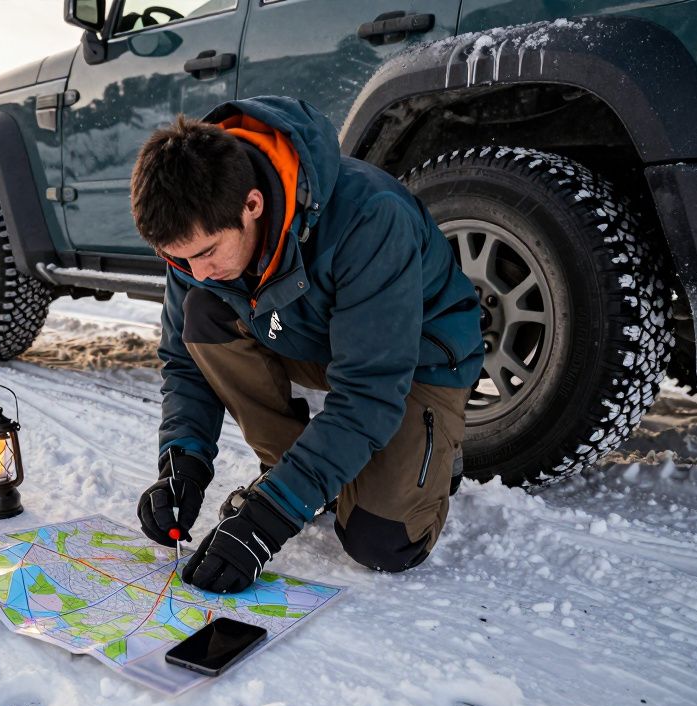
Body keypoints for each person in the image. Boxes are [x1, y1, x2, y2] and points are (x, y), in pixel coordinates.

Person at [131, 96, 483, 593]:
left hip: (416, 358)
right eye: (179, 260)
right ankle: (298, 473)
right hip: (310, 334)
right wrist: (182, 463)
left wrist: (267, 520)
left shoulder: (371, 218)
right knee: (204, 315)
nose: (198, 272)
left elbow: (367, 392)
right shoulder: (195, 243)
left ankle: (434, 450)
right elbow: (184, 362)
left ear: (251, 204)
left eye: (207, 253)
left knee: (382, 542)